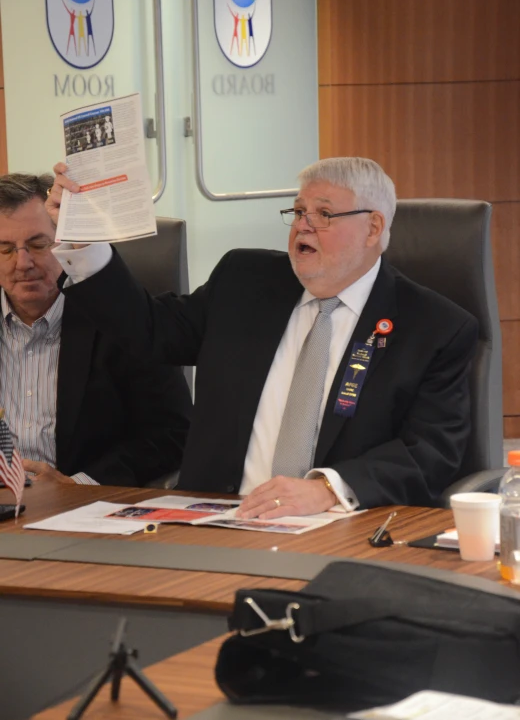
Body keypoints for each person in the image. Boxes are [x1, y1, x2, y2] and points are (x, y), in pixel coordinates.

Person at [47, 157, 477, 513]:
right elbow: (149, 330)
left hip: (341, 526)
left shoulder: (434, 327)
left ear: (372, 228)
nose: (302, 226)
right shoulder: (245, 282)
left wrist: (327, 490)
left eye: (323, 214)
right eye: (298, 211)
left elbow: (430, 452)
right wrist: (85, 241)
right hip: (213, 519)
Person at [0, 173, 192, 486]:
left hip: (84, 505)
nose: (22, 263)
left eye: (38, 245)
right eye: (5, 249)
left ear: (66, 244)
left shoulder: (123, 320)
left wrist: (77, 486)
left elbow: (173, 434)